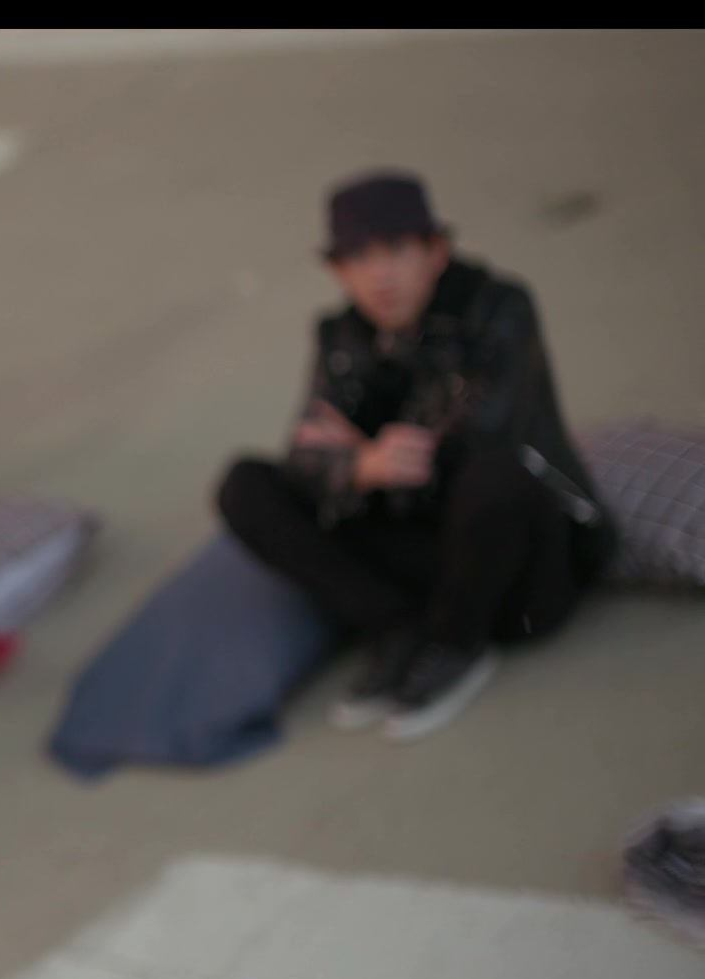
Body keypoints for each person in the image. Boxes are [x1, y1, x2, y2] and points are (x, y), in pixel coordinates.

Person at [217, 169, 615, 743]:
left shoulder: (499, 307)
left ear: (436, 251)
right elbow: (305, 456)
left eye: (397, 249)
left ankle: (456, 645)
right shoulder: (341, 336)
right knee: (246, 485)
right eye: (359, 257)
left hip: (523, 581)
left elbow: (475, 431)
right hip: (428, 555)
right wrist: (361, 466)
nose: (380, 274)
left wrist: (362, 449)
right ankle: (396, 628)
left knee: (495, 475)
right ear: (338, 272)